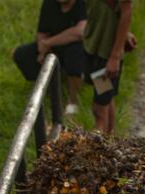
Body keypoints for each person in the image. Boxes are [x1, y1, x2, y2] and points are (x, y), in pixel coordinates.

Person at [12, 0, 87, 115]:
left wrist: (48, 42)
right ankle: (47, 85)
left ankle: (73, 100)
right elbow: (42, 33)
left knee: (74, 54)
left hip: (78, 46)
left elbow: (80, 32)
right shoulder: (49, 3)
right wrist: (42, 50)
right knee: (21, 54)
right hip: (53, 46)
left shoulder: (84, 3)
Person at [83, 0, 135, 135]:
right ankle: (111, 137)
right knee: (106, 98)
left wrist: (115, 57)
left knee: (99, 109)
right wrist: (125, 33)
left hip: (106, 55)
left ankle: (100, 144)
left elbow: (126, 11)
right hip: (93, 47)